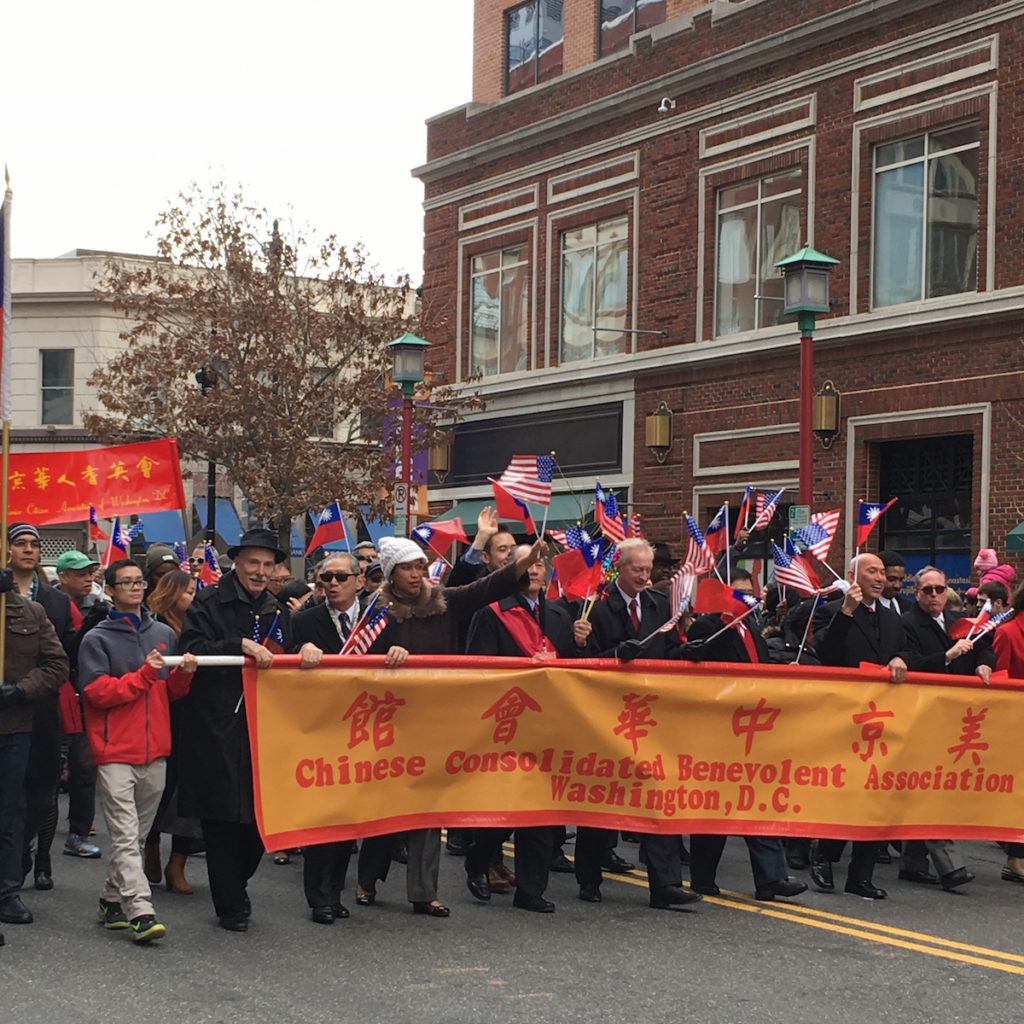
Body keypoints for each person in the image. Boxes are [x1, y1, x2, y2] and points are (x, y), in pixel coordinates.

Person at [356, 534, 547, 918]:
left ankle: (424, 892)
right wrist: (387, 655)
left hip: (437, 719)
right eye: (407, 568)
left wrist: (526, 563)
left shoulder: (444, 601)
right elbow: (356, 661)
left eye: (420, 567)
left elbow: (486, 586)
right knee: (388, 806)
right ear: (391, 574)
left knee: (429, 807)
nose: (416, 574)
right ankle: (368, 878)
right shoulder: (378, 610)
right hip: (393, 722)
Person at [179, 528, 322, 932]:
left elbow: (290, 655)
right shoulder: (207, 602)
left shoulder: (279, 610)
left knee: (261, 817)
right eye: (253, 563)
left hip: (267, 725)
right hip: (218, 725)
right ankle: (230, 903)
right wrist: (237, 644)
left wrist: (306, 650)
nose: (260, 572)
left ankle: (233, 884)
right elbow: (191, 648)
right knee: (223, 816)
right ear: (237, 563)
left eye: (267, 564)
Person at [78, 558, 199, 942]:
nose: (134, 587)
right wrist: (145, 675)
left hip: (156, 749)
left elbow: (172, 694)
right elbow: (97, 694)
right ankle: (140, 909)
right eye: (125, 582)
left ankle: (111, 899)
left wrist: (183, 675)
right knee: (127, 835)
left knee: (136, 833)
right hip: (114, 750)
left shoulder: (164, 633)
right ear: (110, 590)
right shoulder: (96, 638)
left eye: (138, 582)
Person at [581, 538, 701, 911]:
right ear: (621, 568)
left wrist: (689, 654)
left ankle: (664, 883)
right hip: (608, 715)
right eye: (638, 570)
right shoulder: (598, 609)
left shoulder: (657, 605)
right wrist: (614, 655)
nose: (645, 577)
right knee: (602, 796)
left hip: (651, 715)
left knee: (658, 795)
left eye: (649, 570)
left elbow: (667, 653)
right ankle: (588, 874)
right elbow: (581, 666)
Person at [463, 545, 578, 913]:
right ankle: (479, 859)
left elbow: (575, 671)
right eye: (525, 565)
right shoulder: (492, 613)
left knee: (542, 811)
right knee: (506, 811)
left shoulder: (562, 614)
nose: (533, 571)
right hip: (508, 725)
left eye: (539, 565)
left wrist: (581, 643)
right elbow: (479, 668)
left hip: (550, 725)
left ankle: (531, 890)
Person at [811, 553, 912, 900]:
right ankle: (824, 857)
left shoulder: (893, 619)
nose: (880, 577)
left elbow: (905, 651)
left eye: (883, 572)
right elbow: (826, 653)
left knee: (876, 797)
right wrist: (846, 612)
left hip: (883, 718)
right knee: (844, 793)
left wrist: (903, 658)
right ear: (853, 576)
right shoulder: (832, 610)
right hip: (845, 717)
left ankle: (861, 876)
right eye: (872, 571)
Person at [897, 566, 984, 891]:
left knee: (930, 786)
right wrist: (945, 656)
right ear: (916, 592)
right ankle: (950, 865)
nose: (935, 595)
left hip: (953, 718)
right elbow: (908, 661)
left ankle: (912, 861)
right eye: (928, 590)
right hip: (921, 717)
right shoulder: (907, 623)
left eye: (940, 589)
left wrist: (983, 662)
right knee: (930, 789)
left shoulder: (956, 620)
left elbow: (983, 644)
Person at [289, 553, 364, 924]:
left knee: (349, 821)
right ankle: (318, 897)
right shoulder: (303, 621)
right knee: (323, 818)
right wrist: (299, 650)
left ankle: (335, 892)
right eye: (325, 578)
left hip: (363, 732)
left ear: (359, 581)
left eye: (340, 577)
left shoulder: (378, 622)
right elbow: (282, 667)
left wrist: (400, 652)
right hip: (321, 730)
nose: (332, 584)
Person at [0, 582, 69, 933]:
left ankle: (7, 890)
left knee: (11, 811)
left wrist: (21, 690)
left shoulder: (31, 612)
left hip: (13, 727)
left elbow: (57, 665)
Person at [143, 569, 201, 895]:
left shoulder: (200, 625)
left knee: (191, 789)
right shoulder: (156, 629)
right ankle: (150, 843)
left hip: (197, 716)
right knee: (161, 787)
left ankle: (177, 862)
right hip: (165, 715)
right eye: (189, 591)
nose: (194, 598)